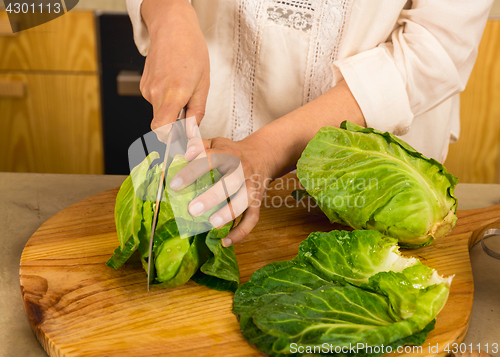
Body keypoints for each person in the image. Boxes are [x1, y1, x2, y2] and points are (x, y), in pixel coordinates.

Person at [126, 0, 493, 247]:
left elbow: (434, 47)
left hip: (374, 181)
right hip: (215, 152)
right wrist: (167, 12)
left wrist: (268, 149)